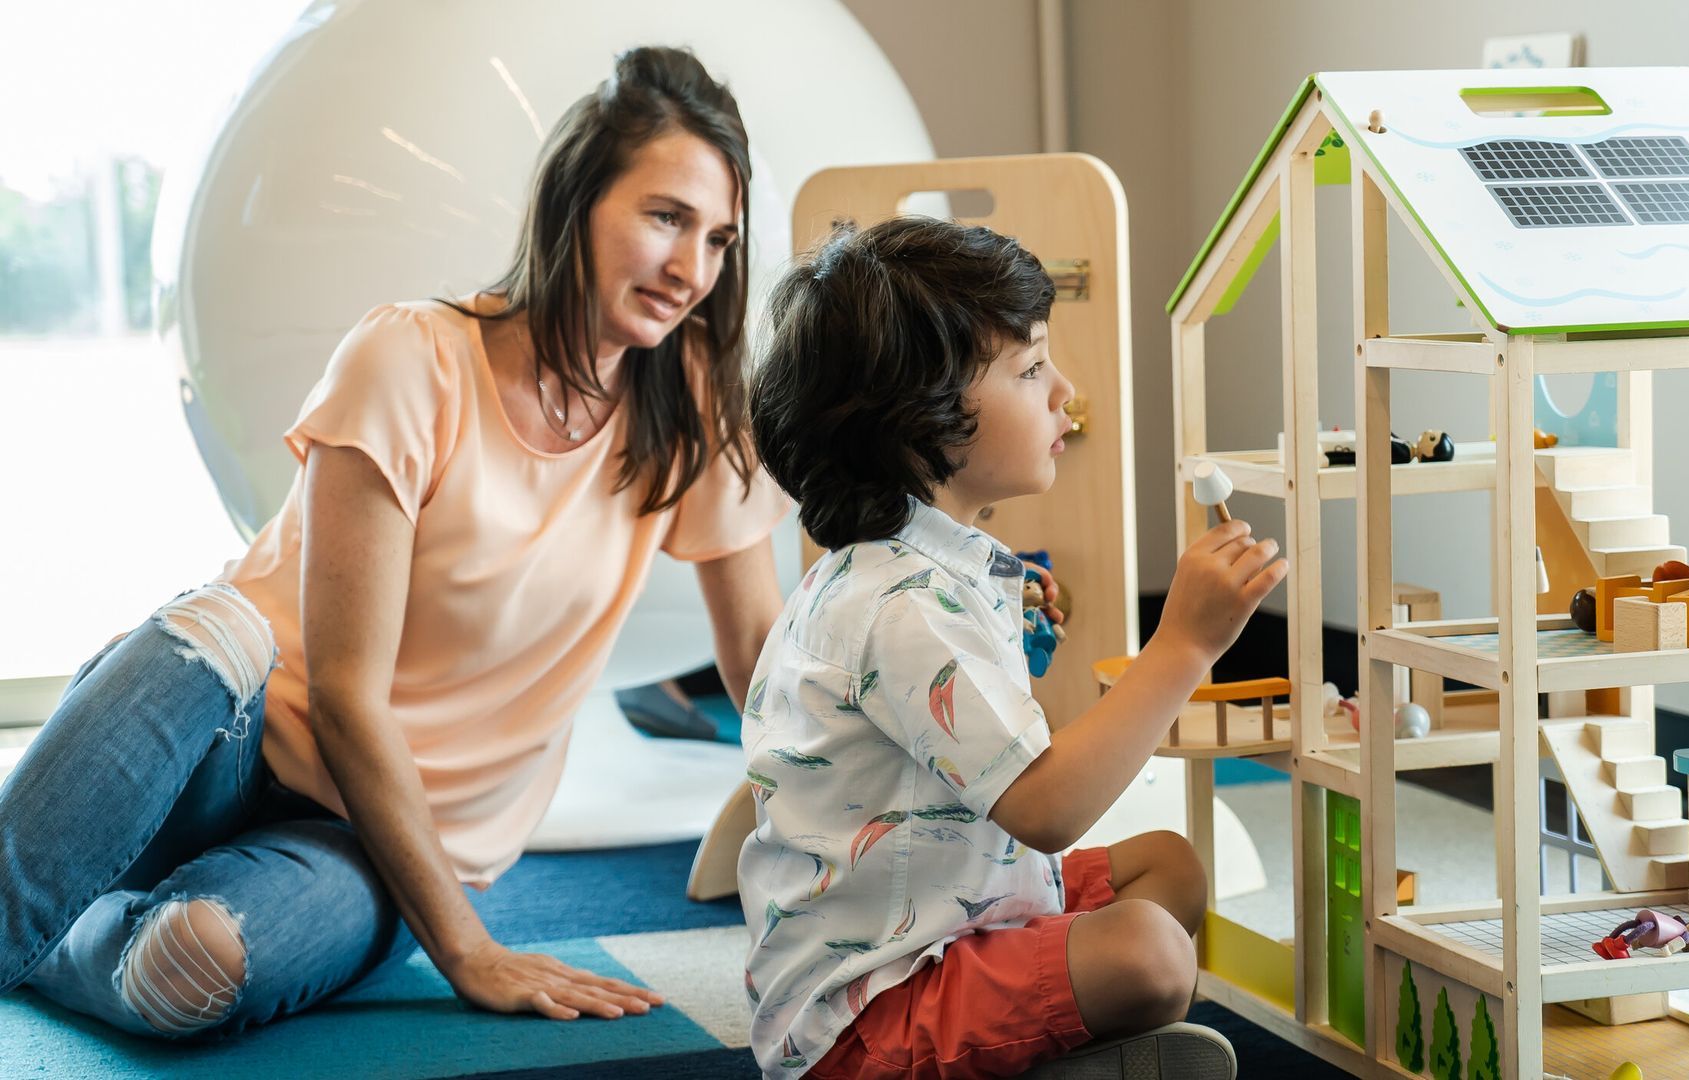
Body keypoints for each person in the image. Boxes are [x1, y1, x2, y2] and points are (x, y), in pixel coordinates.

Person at [0, 45, 787, 1039]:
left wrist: (891, 797)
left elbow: (762, 660)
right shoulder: (411, 357)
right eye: (665, 217)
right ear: (577, 202)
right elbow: (343, 695)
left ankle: (62, 930)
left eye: (719, 239)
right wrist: (468, 952)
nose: (692, 270)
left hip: (379, 844)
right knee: (212, 631)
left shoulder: (694, 406)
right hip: (234, 736)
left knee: (184, 970)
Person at [740, 216, 1287, 1078]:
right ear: (921, 419)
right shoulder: (905, 606)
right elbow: (1046, 810)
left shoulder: (898, 573)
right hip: (869, 1018)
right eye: (1031, 369)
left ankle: (1030, 1046)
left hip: (956, 906)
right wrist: (1183, 643)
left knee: (1170, 867)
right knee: (1148, 953)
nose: (1065, 389)